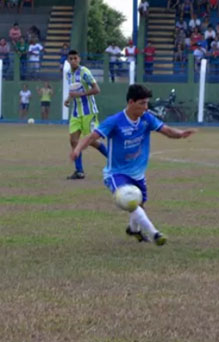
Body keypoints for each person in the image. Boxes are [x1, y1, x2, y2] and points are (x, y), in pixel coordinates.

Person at [70, 83, 195, 245]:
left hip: (137, 173)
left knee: (139, 205)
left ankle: (133, 229)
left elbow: (166, 130)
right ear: (131, 102)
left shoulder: (146, 118)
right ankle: (155, 234)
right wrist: (77, 149)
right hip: (116, 173)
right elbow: (91, 137)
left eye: (147, 103)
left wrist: (181, 134)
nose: (146, 107)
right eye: (142, 103)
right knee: (130, 201)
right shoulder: (115, 121)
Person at [64, 50, 109, 179]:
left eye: (75, 58)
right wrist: (69, 99)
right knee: (73, 141)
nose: (73, 61)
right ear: (68, 60)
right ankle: (79, 171)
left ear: (79, 59)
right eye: (71, 58)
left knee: (91, 141)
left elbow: (97, 89)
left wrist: (80, 94)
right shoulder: (68, 74)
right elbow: (73, 90)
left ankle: (114, 159)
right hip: (76, 112)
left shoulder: (85, 72)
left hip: (88, 111)